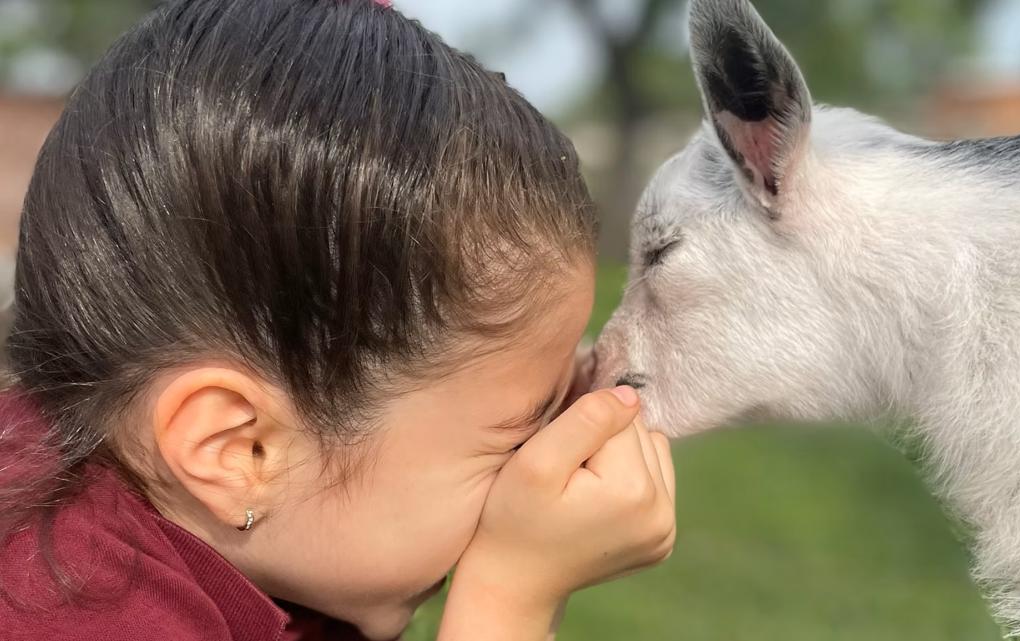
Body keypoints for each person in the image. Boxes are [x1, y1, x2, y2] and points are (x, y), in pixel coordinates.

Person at [0, 1, 675, 640]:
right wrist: (511, 595)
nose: (543, 467)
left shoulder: (255, 538)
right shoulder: (74, 614)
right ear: (241, 448)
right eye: (516, 437)